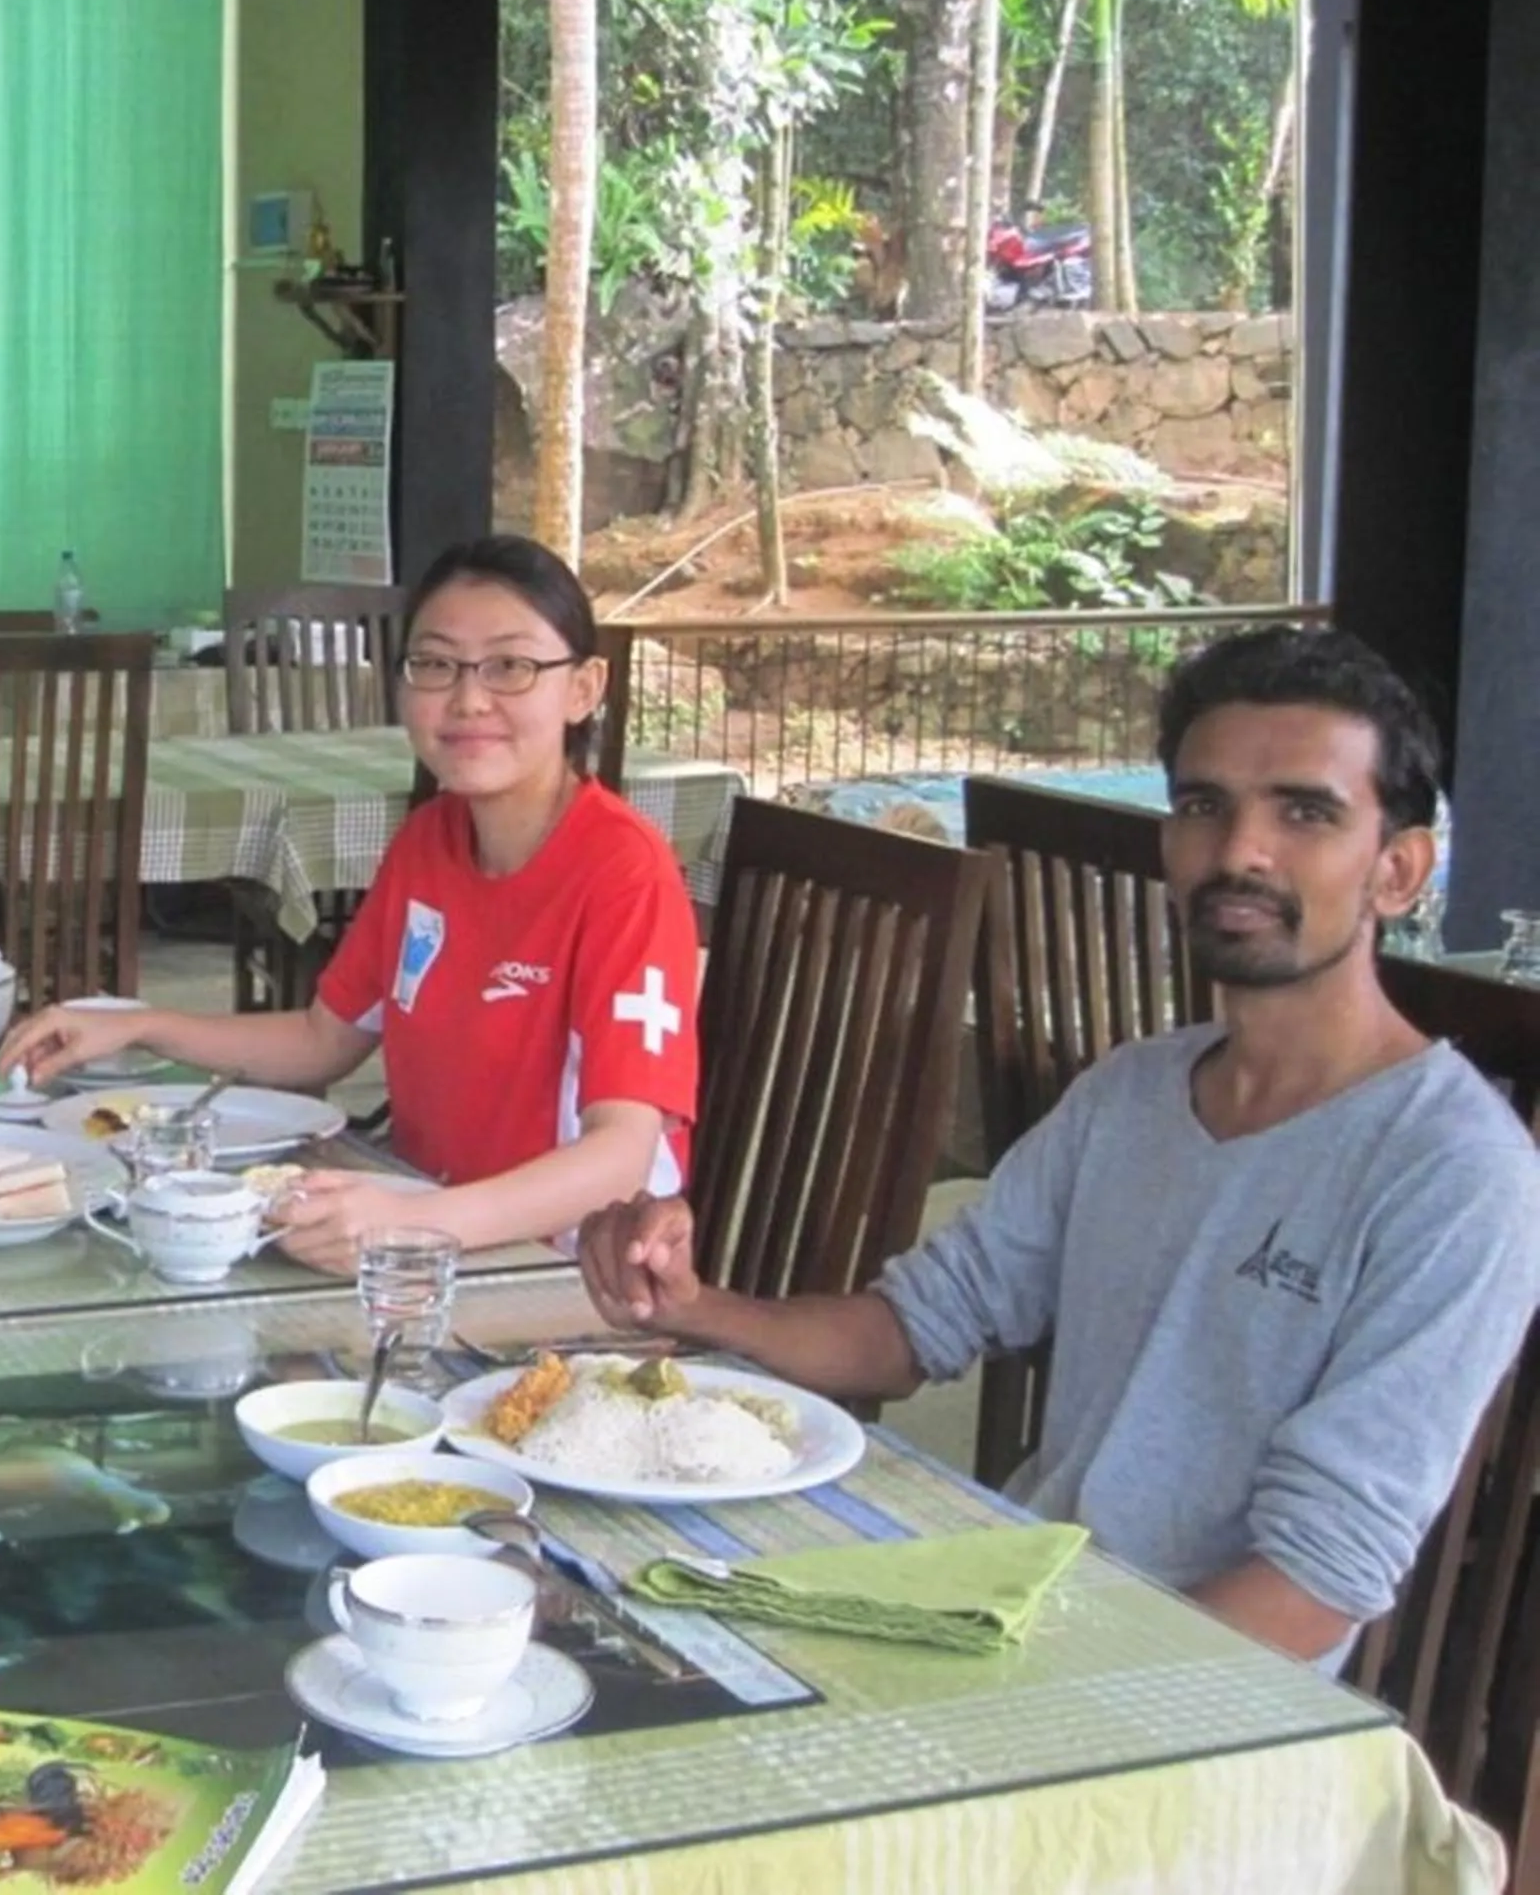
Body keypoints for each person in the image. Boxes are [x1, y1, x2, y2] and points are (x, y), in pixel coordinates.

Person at [574, 624, 1540, 1668]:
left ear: (1398, 870)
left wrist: (1040, 1693)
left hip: (1200, 1711)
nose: (1240, 852)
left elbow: (1315, 1585)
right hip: (1017, 1601)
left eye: (1305, 812)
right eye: (1204, 807)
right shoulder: (1130, 1093)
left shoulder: (1455, 1173)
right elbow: (914, 1328)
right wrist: (697, 1307)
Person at [0, 535, 701, 1271]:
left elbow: (622, 1154)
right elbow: (323, 1038)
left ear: (584, 688)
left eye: (511, 666)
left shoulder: (623, 871)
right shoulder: (431, 838)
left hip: (556, 1274)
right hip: (420, 1241)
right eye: (435, 664)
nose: (468, 698)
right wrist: (138, 1025)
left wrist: (415, 1219)